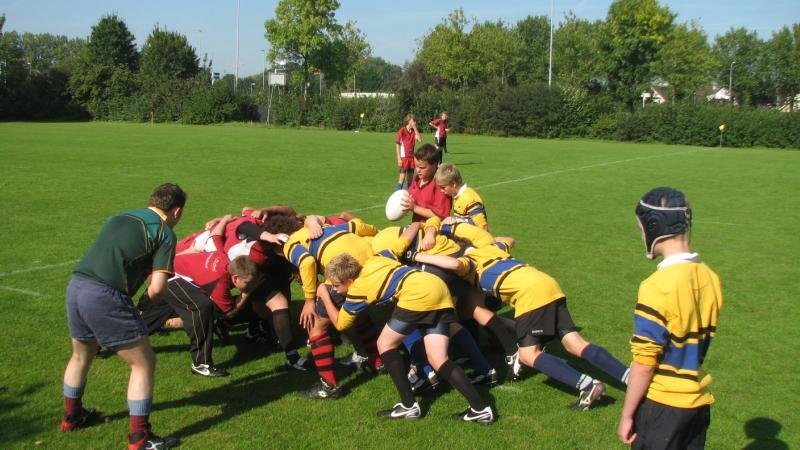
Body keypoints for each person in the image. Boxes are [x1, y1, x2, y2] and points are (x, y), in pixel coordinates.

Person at [411, 218, 630, 410]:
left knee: (528, 355)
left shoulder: (471, 263)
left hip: (530, 295)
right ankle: (629, 377)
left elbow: (453, 262)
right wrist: (458, 228)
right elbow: (510, 239)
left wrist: (418, 256)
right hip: (549, 284)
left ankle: (588, 386)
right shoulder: (492, 246)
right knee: (575, 344)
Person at [320, 223, 495, 424]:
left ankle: (408, 405)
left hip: (416, 295)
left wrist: (323, 295)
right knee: (438, 358)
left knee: (385, 344)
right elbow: (404, 240)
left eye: (336, 286)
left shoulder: (358, 290)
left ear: (349, 280)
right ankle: (481, 409)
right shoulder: (379, 257)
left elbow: (341, 324)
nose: (335, 290)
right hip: (436, 287)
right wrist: (416, 224)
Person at [61, 183, 185, 450]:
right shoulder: (164, 233)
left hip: (76, 286)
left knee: (81, 355)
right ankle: (140, 437)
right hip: (105, 295)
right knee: (144, 363)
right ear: (176, 212)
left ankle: (72, 416)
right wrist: (145, 303)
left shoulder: (122, 215)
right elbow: (158, 288)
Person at [617, 187, 722, 449]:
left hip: (663, 407)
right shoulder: (710, 277)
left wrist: (627, 414)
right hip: (697, 406)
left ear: (654, 226)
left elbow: (644, 364)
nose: (642, 235)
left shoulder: (657, 286)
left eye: (641, 229)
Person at [139, 215, 263, 378]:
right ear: (235, 278)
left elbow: (215, 235)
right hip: (168, 276)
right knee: (201, 307)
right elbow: (228, 313)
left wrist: (225, 219)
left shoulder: (222, 255)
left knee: (150, 318)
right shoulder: (220, 283)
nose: (250, 284)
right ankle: (201, 364)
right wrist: (247, 293)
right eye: (247, 282)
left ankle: (110, 338)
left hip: (170, 273)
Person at [404, 143, 451, 223]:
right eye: (416, 166)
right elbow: (410, 194)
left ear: (435, 165)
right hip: (417, 228)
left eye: (422, 167)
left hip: (434, 231)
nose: (418, 170)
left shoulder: (441, 184)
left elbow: (441, 216)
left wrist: (415, 208)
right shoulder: (417, 179)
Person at [435, 163, 489, 230]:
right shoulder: (457, 195)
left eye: (443, 187)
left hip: (475, 239)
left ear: (453, 184)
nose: (441, 191)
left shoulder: (470, 199)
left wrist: (457, 220)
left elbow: (483, 227)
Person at [395, 113, 421, 190]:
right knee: (402, 177)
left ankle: (409, 194)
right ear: (409, 121)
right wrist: (399, 159)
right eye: (413, 121)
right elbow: (397, 145)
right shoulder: (402, 131)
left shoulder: (413, 131)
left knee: (410, 179)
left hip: (411, 158)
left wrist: (415, 128)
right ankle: (398, 194)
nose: (415, 122)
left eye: (415, 121)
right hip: (404, 158)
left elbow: (419, 140)